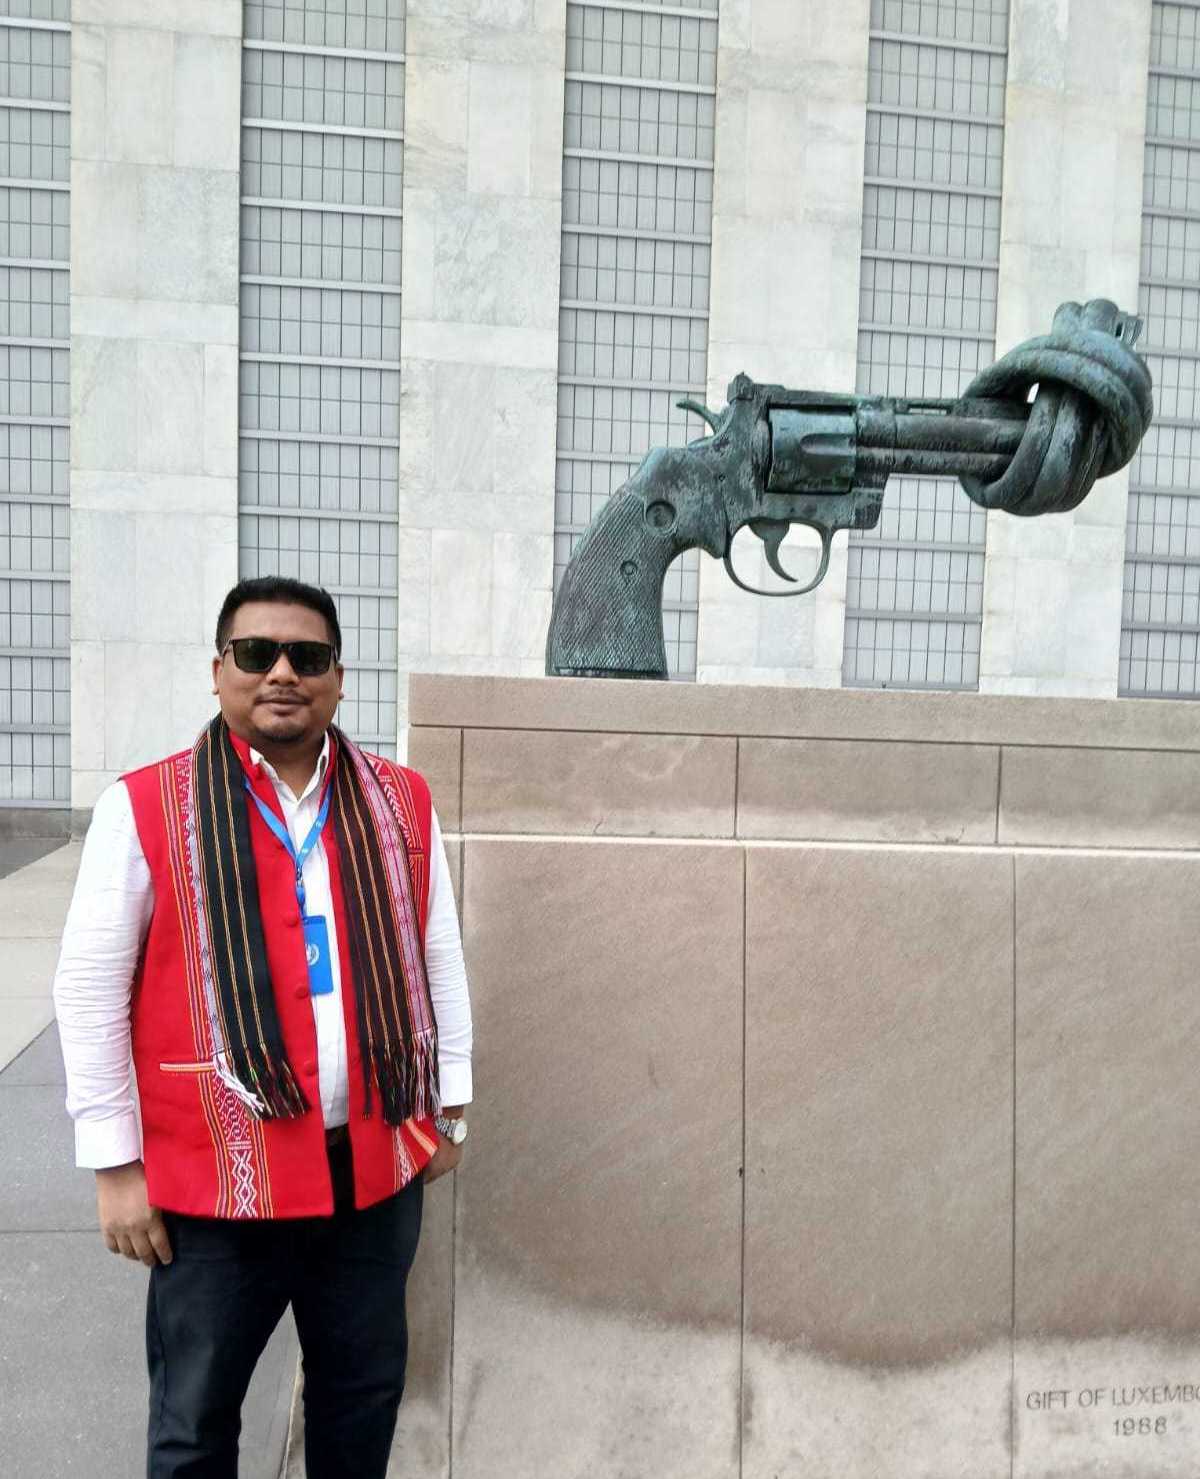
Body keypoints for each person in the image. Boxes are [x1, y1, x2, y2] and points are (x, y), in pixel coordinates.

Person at [52, 576, 472, 1479]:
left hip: (370, 1172)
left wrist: (450, 1105)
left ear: (338, 678)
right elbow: (88, 989)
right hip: (214, 1190)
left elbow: (436, 952)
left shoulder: (401, 800)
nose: (282, 672)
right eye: (256, 653)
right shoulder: (145, 805)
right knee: (196, 1423)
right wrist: (117, 1167)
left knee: (359, 1406)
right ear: (219, 672)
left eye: (308, 656)